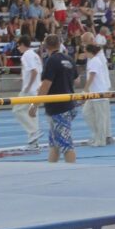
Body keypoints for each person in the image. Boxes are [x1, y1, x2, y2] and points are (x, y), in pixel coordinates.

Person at [31, 34, 78, 163]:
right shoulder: (69, 59)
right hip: (68, 104)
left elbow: (46, 85)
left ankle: (72, 172)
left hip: (59, 108)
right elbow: (77, 80)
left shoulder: (51, 61)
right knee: (54, 143)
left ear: (46, 47)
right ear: (60, 44)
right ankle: (51, 169)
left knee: (65, 143)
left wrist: (34, 105)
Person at [13, 35, 42, 148]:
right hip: (36, 89)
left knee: (17, 110)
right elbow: (36, 71)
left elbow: (34, 72)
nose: (18, 48)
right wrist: (22, 78)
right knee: (33, 115)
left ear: (22, 44)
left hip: (29, 91)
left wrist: (27, 86)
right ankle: (34, 143)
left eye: (18, 45)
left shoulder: (26, 56)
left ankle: (34, 132)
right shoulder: (35, 55)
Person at [82, 43, 112, 147]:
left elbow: (92, 76)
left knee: (100, 117)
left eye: (85, 50)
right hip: (93, 93)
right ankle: (97, 135)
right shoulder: (92, 61)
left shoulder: (95, 61)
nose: (84, 52)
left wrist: (85, 89)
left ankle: (101, 140)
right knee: (86, 113)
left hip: (99, 93)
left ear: (89, 51)